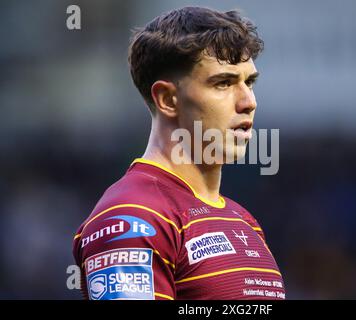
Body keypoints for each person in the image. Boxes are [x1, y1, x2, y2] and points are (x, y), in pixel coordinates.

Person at [72, 6, 285, 300]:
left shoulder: (244, 221)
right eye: (223, 83)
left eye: (248, 82)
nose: (249, 102)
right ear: (168, 99)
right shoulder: (132, 218)